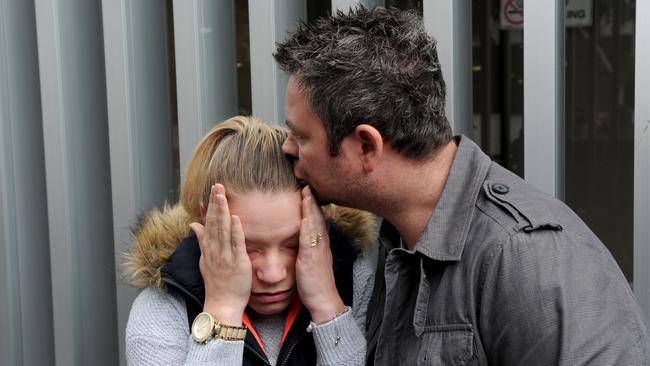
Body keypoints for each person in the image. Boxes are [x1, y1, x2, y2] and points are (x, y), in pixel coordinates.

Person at [274, 6, 650, 365]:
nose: (288, 147)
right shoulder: (399, 237)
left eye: (300, 135)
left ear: (367, 146)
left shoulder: (526, 257)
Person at [123, 116, 377, 365]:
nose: (273, 273)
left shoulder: (356, 283)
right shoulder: (163, 307)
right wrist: (223, 310)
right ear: (210, 221)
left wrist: (327, 306)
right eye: (248, 247)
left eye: (292, 243)